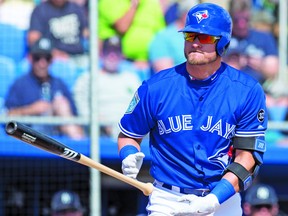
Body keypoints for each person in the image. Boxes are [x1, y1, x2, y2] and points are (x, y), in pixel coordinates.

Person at [117, 3, 267, 216]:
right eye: (190, 36)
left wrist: (215, 199)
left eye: (205, 38)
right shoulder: (156, 87)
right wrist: (129, 154)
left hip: (222, 197)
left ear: (222, 42)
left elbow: (248, 157)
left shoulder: (247, 91)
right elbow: (128, 135)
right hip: (167, 199)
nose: (195, 43)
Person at [4, 37, 85, 140]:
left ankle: (79, 151)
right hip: (28, 140)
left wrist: (56, 110)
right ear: (30, 58)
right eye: (38, 58)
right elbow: (7, 117)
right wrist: (32, 109)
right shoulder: (20, 84)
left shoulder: (59, 84)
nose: (42, 63)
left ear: (52, 60)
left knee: (62, 104)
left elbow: (76, 120)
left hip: (57, 141)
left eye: (47, 58)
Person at [73, 36, 141, 138]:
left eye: (116, 52)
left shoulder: (131, 78)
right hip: (99, 131)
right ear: (101, 54)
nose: (112, 55)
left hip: (128, 130)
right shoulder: (88, 77)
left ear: (122, 55)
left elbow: (140, 106)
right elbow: (81, 105)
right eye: (108, 51)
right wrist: (98, 120)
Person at [98, 0, 166, 80]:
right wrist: (134, 4)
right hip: (118, 63)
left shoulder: (151, 3)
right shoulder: (109, 2)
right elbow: (122, 27)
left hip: (148, 64)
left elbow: (161, 34)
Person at [27, 0, 89, 73]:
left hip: (78, 56)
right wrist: (52, 53)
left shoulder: (76, 8)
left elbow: (86, 32)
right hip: (54, 59)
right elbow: (33, 39)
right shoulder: (40, 11)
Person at [227, 0, 279, 85]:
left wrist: (257, 63)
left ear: (250, 17)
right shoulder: (224, 38)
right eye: (237, 20)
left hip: (261, 87)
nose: (241, 25)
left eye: (245, 20)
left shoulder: (264, 37)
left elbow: (273, 70)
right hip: (230, 87)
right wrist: (228, 65)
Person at [148, 0, 199, 73]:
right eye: (195, 15)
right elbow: (165, 74)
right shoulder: (163, 37)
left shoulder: (201, 36)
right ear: (184, 14)